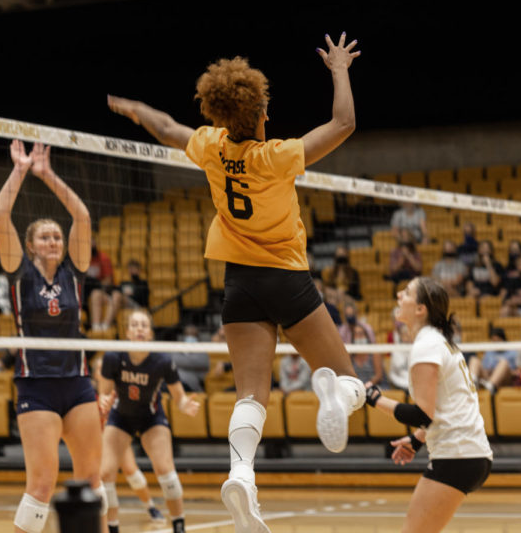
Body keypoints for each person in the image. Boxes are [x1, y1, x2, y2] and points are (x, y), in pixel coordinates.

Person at [108, 31, 367, 533]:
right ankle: (335, 393)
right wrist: (339, 71)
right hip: (286, 277)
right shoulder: (277, 156)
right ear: (262, 111)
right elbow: (345, 122)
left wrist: (137, 107)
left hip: (239, 283)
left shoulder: (209, 146)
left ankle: (242, 475)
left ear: (217, 114)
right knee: (350, 378)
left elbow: (165, 127)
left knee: (251, 394)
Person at [0, 139, 107, 533]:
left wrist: (48, 174)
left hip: (77, 384)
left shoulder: (73, 273)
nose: (53, 242)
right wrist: (22, 169)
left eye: (57, 237)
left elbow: (82, 215)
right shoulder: (19, 272)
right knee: (42, 483)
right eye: (45, 237)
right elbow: (0, 214)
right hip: (36, 386)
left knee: (93, 480)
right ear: (30, 246)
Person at [366, 277, 492, 533]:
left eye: (408, 292)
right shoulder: (438, 342)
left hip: (457, 456)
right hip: (469, 454)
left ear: (421, 309)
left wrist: (375, 399)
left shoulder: (427, 344)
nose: (399, 294)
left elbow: (422, 413)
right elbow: (446, 407)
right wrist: (416, 440)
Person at [98, 310, 200, 533]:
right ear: (127, 333)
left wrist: (185, 405)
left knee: (165, 470)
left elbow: (179, 397)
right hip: (120, 417)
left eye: (143, 325)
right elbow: (104, 394)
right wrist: (103, 401)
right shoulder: (113, 357)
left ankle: (179, 526)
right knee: (105, 474)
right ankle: (112, 528)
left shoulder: (162, 360)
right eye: (134, 325)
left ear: (151, 333)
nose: (139, 329)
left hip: (151, 418)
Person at [467, 328, 516, 393]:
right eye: (493, 341)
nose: (495, 343)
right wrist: (490, 370)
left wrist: (498, 371)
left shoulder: (512, 352)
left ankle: (491, 385)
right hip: (488, 378)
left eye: (497, 340)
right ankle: (472, 383)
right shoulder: (489, 351)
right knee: (474, 359)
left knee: (503, 362)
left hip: (504, 379)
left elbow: (516, 372)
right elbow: (484, 367)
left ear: (503, 339)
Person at [85, 239, 116, 335]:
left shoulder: (103, 258)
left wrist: (95, 284)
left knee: (96, 293)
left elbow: (108, 280)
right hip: (85, 293)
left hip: (104, 292)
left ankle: (97, 328)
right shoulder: (82, 260)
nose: (91, 245)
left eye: (92, 242)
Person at [171, 325, 210, 392]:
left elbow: (203, 363)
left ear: (197, 337)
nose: (190, 337)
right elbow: (171, 360)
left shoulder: (202, 352)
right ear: (184, 336)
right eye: (188, 334)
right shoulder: (178, 349)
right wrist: (189, 363)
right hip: (174, 384)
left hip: (192, 387)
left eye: (193, 335)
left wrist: (180, 363)